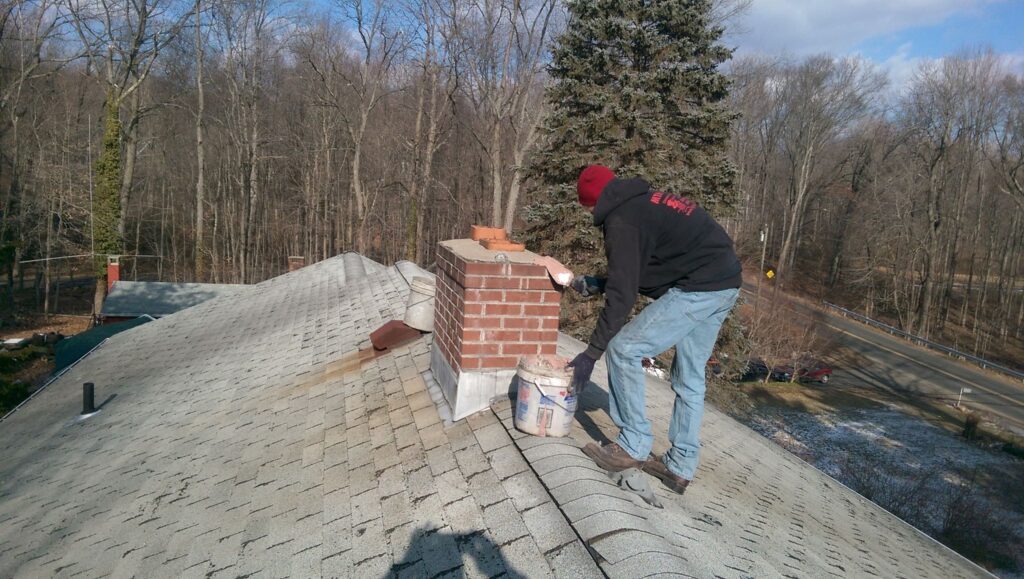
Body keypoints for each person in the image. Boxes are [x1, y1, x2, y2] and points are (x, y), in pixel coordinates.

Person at [566, 165, 741, 494]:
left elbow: (624, 295)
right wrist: (601, 283)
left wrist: (591, 354)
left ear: (592, 202)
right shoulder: (643, 202)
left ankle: (633, 445)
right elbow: (647, 272)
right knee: (689, 378)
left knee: (623, 349)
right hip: (725, 281)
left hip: (700, 286)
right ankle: (680, 466)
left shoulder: (621, 221)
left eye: (586, 207)